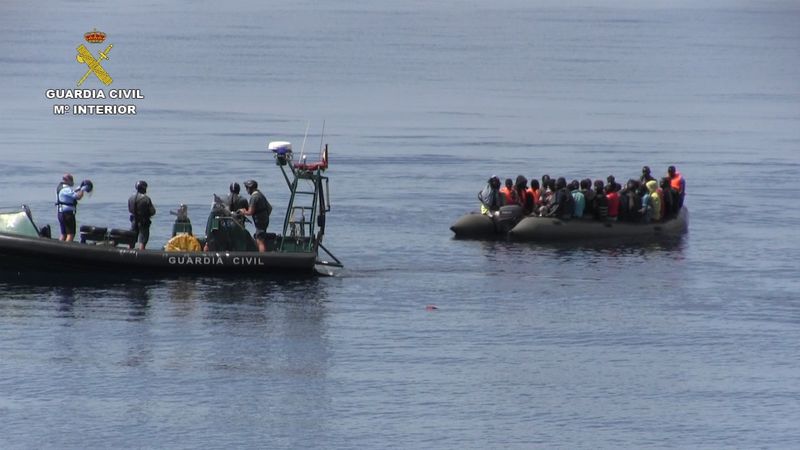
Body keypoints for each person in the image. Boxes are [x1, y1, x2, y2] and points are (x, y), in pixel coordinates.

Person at [238, 179, 272, 252]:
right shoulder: (260, 194)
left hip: (260, 221)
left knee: (260, 240)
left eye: (247, 188)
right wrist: (265, 216)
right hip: (264, 219)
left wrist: (243, 211)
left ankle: (262, 258)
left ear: (250, 188)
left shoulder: (254, 197)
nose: (246, 190)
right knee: (260, 237)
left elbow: (250, 212)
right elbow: (270, 208)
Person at [55, 173, 85, 241]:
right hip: (67, 214)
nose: (73, 182)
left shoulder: (59, 187)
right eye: (71, 180)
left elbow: (68, 195)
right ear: (67, 180)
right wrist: (83, 190)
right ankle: (66, 250)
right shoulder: (66, 189)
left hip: (60, 213)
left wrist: (77, 189)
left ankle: (58, 248)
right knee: (70, 234)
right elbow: (78, 197)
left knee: (63, 234)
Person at [128, 180, 156, 250]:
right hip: (143, 221)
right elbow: (152, 211)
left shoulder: (131, 198)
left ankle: (129, 251)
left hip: (133, 220)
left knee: (131, 238)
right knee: (143, 240)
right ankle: (141, 253)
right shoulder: (146, 199)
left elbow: (129, 210)